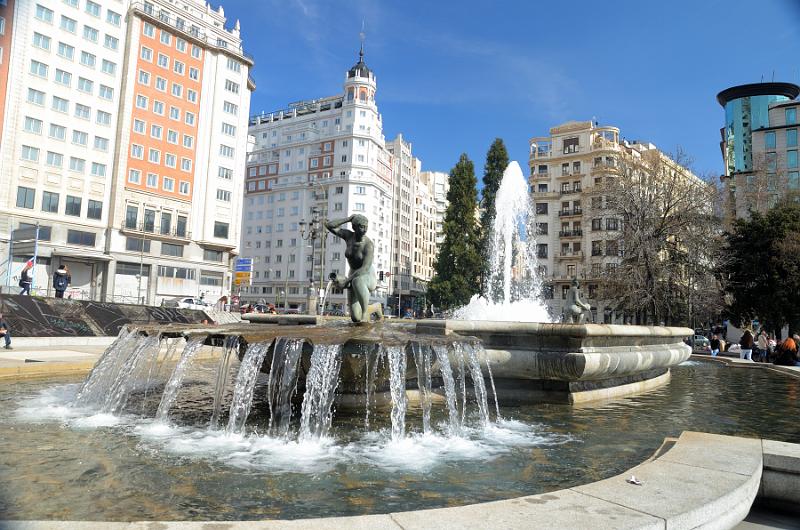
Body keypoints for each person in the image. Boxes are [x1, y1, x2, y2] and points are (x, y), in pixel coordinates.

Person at [325, 214, 383, 323]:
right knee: (355, 318)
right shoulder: (348, 236)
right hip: (353, 274)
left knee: (358, 281)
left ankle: (365, 312)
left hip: (367, 275)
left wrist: (347, 280)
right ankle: (376, 307)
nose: (364, 229)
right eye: (361, 226)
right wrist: (348, 219)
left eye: (366, 226)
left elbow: (365, 268)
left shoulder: (368, 244)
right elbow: (329, 225)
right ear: (354, 227)